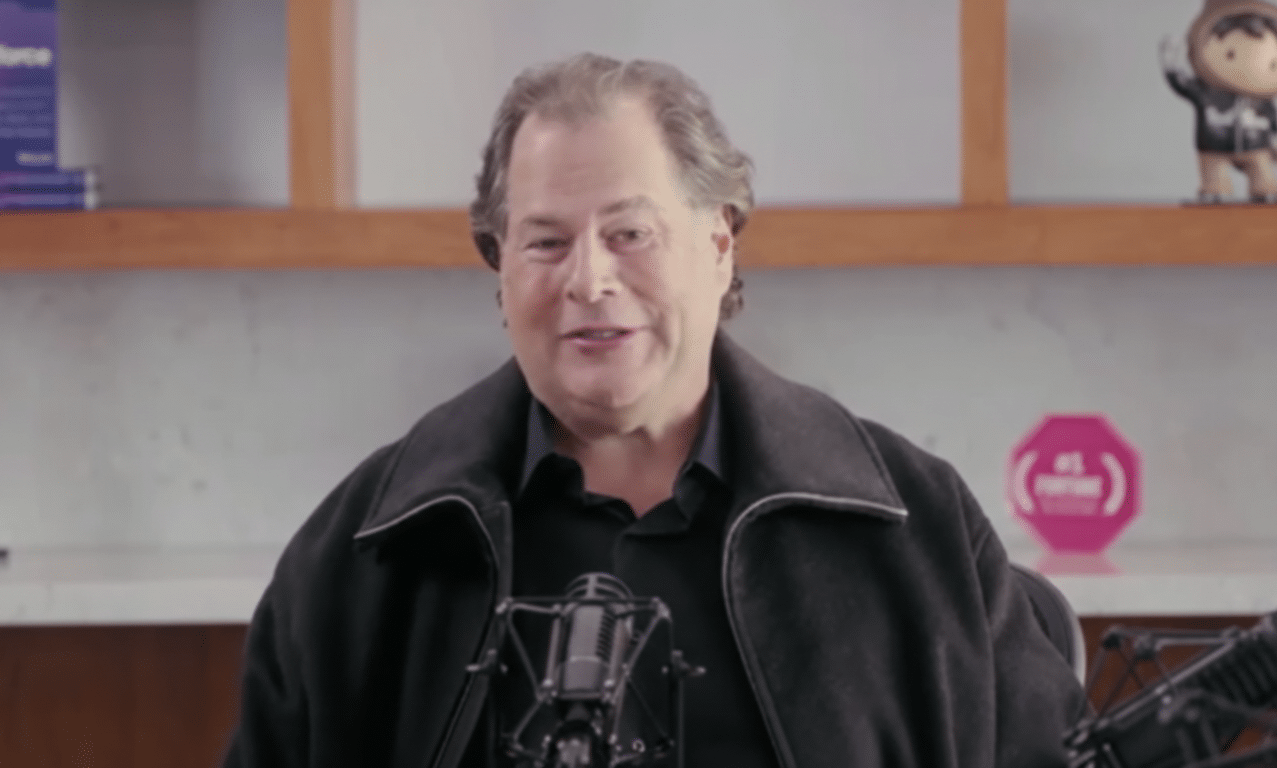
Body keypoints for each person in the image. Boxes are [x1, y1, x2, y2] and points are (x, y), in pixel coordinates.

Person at [221, 52, 1086, 768]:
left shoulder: (918, 528)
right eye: (546, 241)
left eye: (630, 233)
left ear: (719, 246)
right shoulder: (361, 552)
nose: (589, 279)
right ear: (501, 272)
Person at [1161, 0, 1277, 203]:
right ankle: (1215, 191)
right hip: (1214, 146)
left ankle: (1264, 189)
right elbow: (1183, 85)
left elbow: (1273, 121)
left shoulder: (1261, 101)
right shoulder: (1207, 94)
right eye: (1231, 54)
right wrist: (1171, 64)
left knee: (1262, 174)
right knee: (1214, 177)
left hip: (1256, 147)